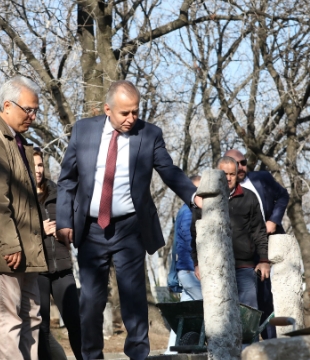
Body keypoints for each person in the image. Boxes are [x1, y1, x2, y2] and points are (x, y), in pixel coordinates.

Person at [56, 80, 201, 360]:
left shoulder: (149, 135)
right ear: (107, 109)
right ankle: (90, 356)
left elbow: (168, 170)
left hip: (130, 228)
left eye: (136, 111)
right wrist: (64, 221)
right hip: (91, 229)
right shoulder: (83, 131)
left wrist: (193, 196)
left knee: (133, 298)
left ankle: (138, 356)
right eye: (125, 113)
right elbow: (67, 180)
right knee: (90, 301)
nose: (131, 119)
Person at [0, 76, 48, 360]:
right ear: (7, 105)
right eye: (28, 109)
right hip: (7, 252)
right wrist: (10, 245)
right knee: (8, 320)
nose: (33, 115)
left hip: (28, 249)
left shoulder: (20, 143)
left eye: (36, 109)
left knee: (32, 317)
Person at [224, 149, 289, 338]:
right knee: (251, 298)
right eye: (237, 164)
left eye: (244, 162)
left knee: (268, 296)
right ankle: (249, 340)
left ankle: (271, 340)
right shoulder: (224, 188)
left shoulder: (262, 178)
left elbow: (283, 196)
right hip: (242, 252)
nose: (242, 167)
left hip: (268, 244)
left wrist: (274, 220)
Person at [191, 156, 269, 309]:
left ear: (237, 174)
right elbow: (195, 233)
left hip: (244, 268)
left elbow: (259, 231)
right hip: (214, 268)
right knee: (219, 314)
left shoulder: (249, 197)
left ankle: (250, 335)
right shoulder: (204, 199)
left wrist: (264, 260)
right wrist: (197, 263)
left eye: (232, 174)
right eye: (224, 174)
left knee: (248, 314)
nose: (228, 178)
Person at [34, 147, 83, 360]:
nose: (37, 169)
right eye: (32, 165)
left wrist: (64, 230)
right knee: (42, 328)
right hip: (37, 271)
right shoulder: (20, 198)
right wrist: (39, 230)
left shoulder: (58, 192)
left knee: (76, 323)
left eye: (40, 164)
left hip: (62, 267)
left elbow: (75, 225)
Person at [176, 175, 203, 302]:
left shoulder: (186, 210)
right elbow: (190, 240)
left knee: (188, 313)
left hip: (187, 271)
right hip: (192, 271)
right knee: (208, 308)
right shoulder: (189, 212)